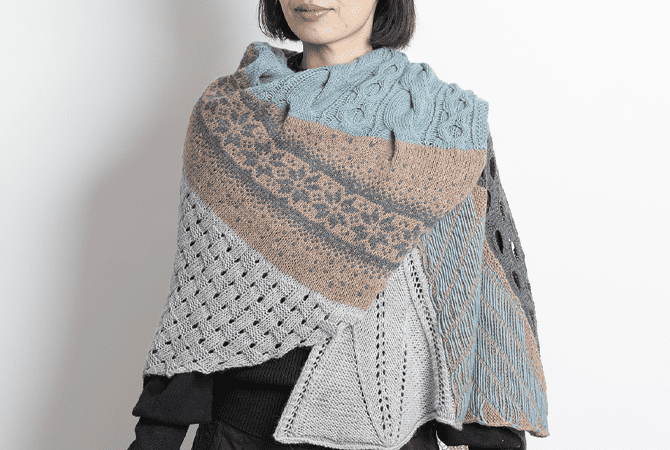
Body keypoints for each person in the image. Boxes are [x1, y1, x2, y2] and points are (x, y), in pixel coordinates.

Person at [127, 1, 549, 449]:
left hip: (390, 435)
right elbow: (197, 311)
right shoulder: (228, 117)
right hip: (238, 434)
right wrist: (156, 438)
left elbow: (478, 298)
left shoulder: (443, 125)